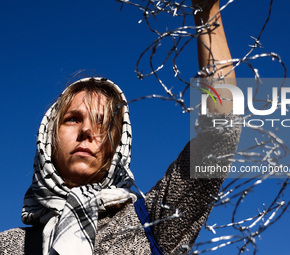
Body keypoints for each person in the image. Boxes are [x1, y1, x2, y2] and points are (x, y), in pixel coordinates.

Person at [0, 0, 240, 254]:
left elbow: (221, 130)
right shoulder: (11, 246)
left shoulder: (152, 222)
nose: (87, 131)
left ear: (116, 146)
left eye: (102, 124)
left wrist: (206, 10)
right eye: (73, 119)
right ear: (49, 138)